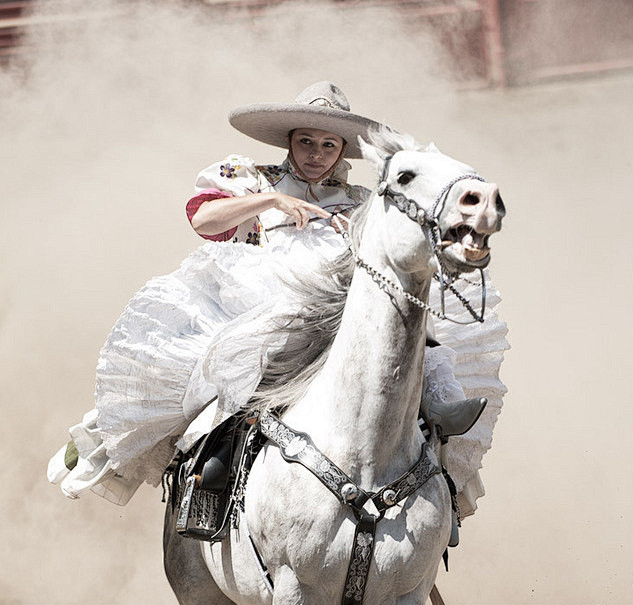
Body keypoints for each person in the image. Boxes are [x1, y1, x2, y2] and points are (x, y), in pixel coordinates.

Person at [48, 81, 491, 508]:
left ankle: (437, 440)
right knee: (228, 367)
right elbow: (204, 220)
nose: (316, 154)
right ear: (290, 142)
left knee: (408, 323)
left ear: (341, 149)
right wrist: (269, 202)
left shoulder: (361, 200)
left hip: (344, 306)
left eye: (328, 145)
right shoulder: (256, 180)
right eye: (306, 142)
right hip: (269, 300)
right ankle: (207, 475)